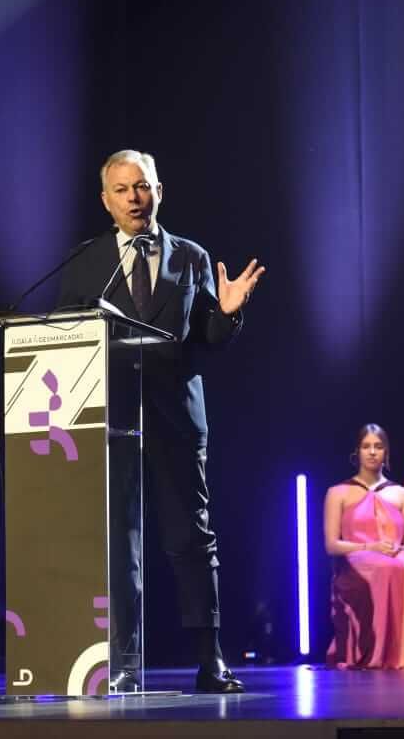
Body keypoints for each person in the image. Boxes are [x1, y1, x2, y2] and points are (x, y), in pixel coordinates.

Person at [55, 149, 265, 693]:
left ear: (159, 192)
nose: (134, 198)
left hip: (174, 419)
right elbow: (63, 340)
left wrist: (228, 311)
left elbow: (208, 341)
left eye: (142, 187)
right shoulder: (83, 262)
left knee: (191, 540)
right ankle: (116, 663)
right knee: (116, 543)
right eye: (122, 190)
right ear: (106, 202)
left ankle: (210, 658)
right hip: (108, 421)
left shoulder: (191, 257)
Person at [324, 425, 404, 669]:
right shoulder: (338, 492)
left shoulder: (402, 494)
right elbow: (332, 545)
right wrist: (370, 546)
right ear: (357, 452)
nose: (372, 452)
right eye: (366, 447)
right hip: (357, 556)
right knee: (383, 568)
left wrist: (398, 549)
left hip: (394, 553)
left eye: (378, 447)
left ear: (386, 453)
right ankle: (376, 652)